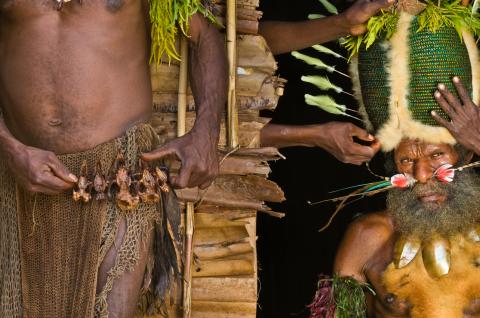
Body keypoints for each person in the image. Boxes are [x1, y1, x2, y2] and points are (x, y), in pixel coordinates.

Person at [0, 1, 227, 317]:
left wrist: (206, 130)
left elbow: (204, 36)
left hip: (118, 180)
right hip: (20, 179)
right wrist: (9, 146)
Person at [309, 3, 480, 317]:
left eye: (437, 155)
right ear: (391, 167)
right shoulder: (369, 237)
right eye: (406, 161)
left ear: (466, 155)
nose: (423, 175)